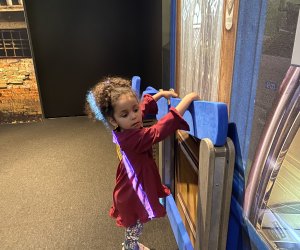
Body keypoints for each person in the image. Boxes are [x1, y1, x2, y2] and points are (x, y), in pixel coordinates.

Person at [85, 76, 199, 250]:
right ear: (113, 120)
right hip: (133, 192)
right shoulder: (133, 139)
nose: (134, 116)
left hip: (129, 185)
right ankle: (131, 247)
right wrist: (187, 100)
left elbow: (143, 108)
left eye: (134, 109)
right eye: (125, 114)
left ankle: (131, 244)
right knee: (135, 225)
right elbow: (160, 129)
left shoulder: (124, 128)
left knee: (134, 225)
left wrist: (160, 96)